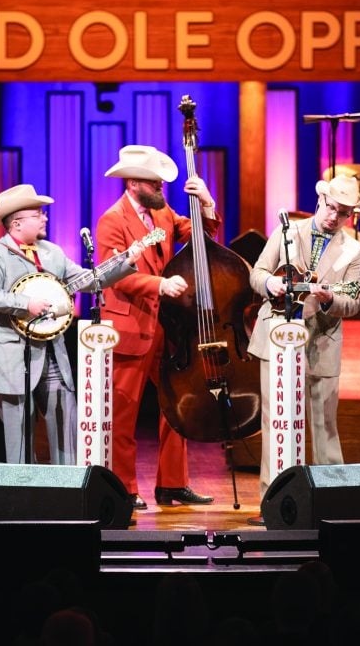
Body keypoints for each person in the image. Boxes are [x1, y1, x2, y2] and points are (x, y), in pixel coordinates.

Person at [0, 184, 143, 465]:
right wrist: (26, 303)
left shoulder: (52, 252)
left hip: (53, 354)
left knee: (65, 426)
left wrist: (124, 262)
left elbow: (89, 279)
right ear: (17, 223)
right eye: (38, 214)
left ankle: (67, 495)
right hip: (11, 358)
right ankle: (20, 499)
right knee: (19, 441)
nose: (45, 217)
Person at [94, 144, 220, 509]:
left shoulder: (162, 213)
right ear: (134, 183)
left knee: (175, 406)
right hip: (130, 328)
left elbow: (202, 234)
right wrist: (160, 285)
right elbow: (115, 275)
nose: (163, 191)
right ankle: (124, 489)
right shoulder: (112, 220)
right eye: (156, 184)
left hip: (165, 329)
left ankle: (172, 485)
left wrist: (207, 202)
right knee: (123, 413)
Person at [247, 174, 360, 523]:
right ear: (320, 201)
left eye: (343, 212)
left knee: (324, 423)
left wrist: (330, 297)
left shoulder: (354, 250)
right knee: (276, 421)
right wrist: (271, 284)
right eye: (331, 207)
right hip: (278, 338)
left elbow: (355, 301)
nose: (334, 216)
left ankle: (333, 501)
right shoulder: (286, 233)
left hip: (321, 343)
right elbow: (257, 274)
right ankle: (273, 500)